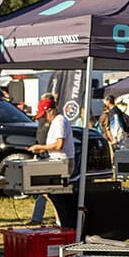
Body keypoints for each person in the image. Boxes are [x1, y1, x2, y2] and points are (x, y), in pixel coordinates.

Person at [28, 96, 75, 173]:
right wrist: (42, 149)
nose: (44, 119)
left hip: (61, 161)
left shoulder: (59, 121)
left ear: (50, 111)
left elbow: (59, 145)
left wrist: (40, 147)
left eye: (44, 116)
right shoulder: (56, 121)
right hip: (59, 160)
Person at [29, 93, 55, 225]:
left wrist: (41, 147)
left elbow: (58, 143)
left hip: (50, 156)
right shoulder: (42, 120)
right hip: (42, 155)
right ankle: (37, 217)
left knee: (48, 190)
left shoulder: (56, 122)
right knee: (43, 189)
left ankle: (38, 218)